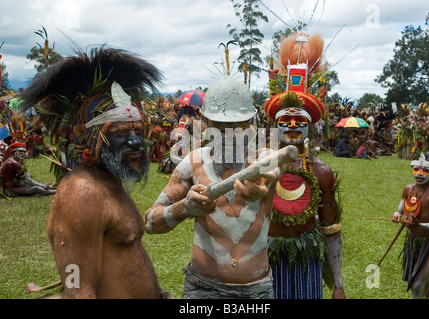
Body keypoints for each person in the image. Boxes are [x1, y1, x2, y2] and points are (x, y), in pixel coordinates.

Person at [21, 47, 168, 299]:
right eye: (120, 133)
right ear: (92, 138)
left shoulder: (109, 181)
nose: (135, 142)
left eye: (137, 131)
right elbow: (77, 287)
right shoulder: (82, 193)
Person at [145, 76, 279, 299]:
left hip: (256, 291)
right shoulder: (193, 162)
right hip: (202, 289)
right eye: (220, 125)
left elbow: (270, 171)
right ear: (206, 123)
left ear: (250, 124)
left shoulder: (266, 158)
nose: (228, 133)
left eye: (237, 125)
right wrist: (184, 208)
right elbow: (150, 223)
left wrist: (261, 183)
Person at [264, 33, 345, 299]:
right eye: (284, 119)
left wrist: (339, 286)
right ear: (275, 125)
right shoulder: (260, 167)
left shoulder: (321, 172)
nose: (291, 125)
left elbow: (331, 231)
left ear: (310, 125)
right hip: (264, 261)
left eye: (298, 119)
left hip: (307, 259)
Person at [391, 152, 429, 298]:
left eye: (425, 170)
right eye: (416, 169)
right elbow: (400, 210)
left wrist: (420, 225)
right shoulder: (408, 189)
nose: (419, 174)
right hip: (414, 241)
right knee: (413, 280)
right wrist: (397, 215)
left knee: (418, 284)